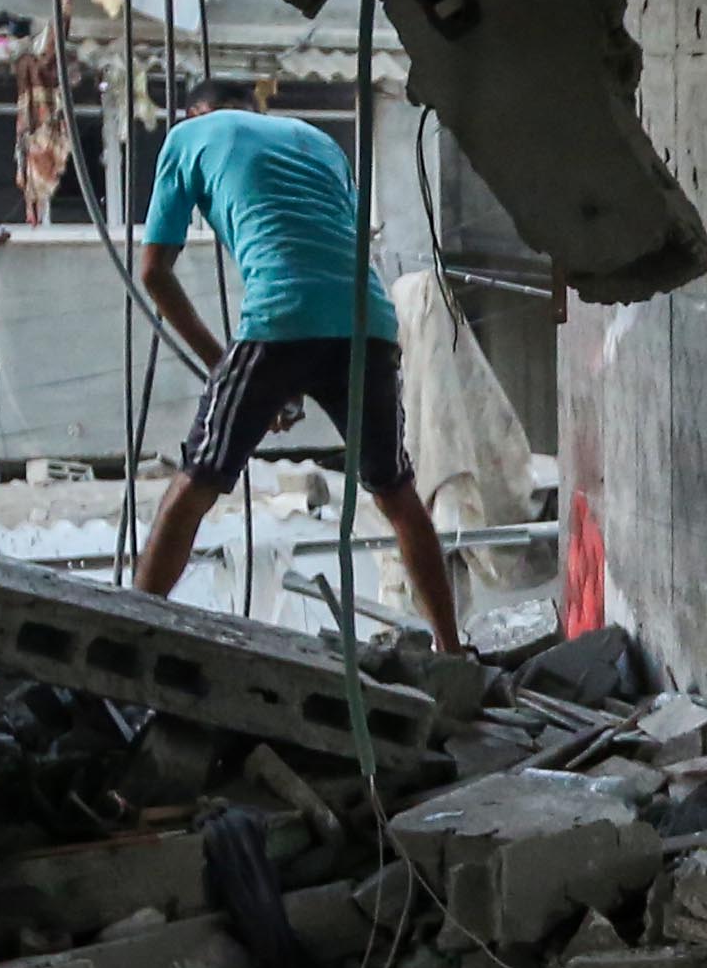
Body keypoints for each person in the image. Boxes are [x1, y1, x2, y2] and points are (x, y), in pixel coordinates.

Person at [129, 75, 461, 644]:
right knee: (395, 490)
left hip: (280, 314)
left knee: (199, 478)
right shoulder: (315, 141)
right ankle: (453, 649)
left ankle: (128, 629)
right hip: (369, 320)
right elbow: (325, 249)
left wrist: (220, 365)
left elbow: (154, 273)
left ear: (196, 112)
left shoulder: (189, 136)